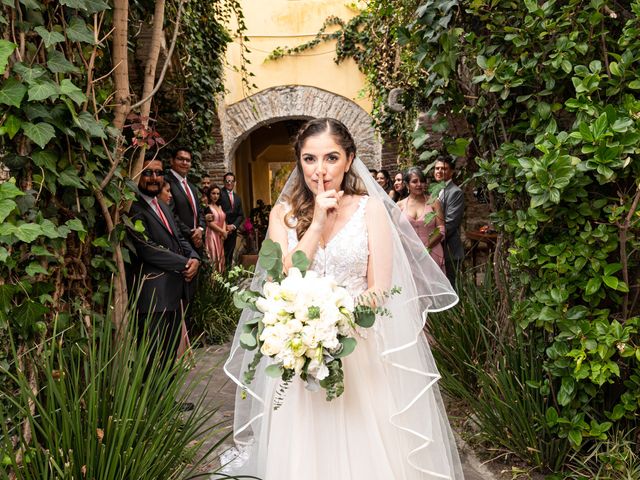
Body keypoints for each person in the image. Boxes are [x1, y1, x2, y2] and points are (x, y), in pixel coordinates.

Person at [219, 118, 463, 479]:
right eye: (309, 159)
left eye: (331, 158)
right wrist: (317, 221)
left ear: (348, 160)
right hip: (299, 350)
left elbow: (380, 287)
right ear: (299, 162)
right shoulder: (282, 214)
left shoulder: (372, 210)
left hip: (357, 351)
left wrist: (333, 319)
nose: (320, 170)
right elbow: (280, 280)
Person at [127, 160, 200, 380]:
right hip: (152, 295)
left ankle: (166, 403)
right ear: (137, 175)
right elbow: (146, 248)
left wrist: (195, 258)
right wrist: (184, 264)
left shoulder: (163, 206)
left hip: (173, 291)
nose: (153, 177)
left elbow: (179, 237)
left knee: (169, 352)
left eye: (158, 173)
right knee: (151, 353)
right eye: (147, 172)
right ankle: (149, 405)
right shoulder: (132, 208)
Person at [397, 167, 446, 273]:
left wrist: (425, 248)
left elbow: (441, 229)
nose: (419, 184)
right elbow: (395, 232)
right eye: (415, 181)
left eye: (422, 181)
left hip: (432, 251)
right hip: (408, 253)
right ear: (407, 184)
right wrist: (412, 249)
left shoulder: (434, 202)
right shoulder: (399, 206)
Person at [165, 147, 206, 252]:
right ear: (172, 161)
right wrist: (192, 233)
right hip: (178, 241)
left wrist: (200, 229)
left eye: (188, 160)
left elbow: (200, 210)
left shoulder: (191, 187)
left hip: (196, 241)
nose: (184, 162)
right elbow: (170, 213)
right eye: (180, 159)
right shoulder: (166, 182)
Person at [434, 156, 464, 286]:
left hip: (449, 250)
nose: (439, 171)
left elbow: (450, 223)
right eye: (437, 168)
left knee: (450, 287)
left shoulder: (455, 192)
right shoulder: (434, 190)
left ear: (451, 172)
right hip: (435, 248)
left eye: (444, 169)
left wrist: (431, 241)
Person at [220, 172, 244, 268]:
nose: (229, 183)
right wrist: (225, 226)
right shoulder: (219, 194)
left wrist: (233, 226)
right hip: (221, 230)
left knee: (229, 255)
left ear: (235, 182)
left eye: (231, 181)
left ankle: (228, 278)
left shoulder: (237, 198)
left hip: (232, 231)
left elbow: (240, 215)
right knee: (221, 255)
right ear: (224, 182)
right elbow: (217, 211)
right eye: (227, 181)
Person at [204, 184, 227, 272]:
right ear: (209, 194)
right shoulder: (207, 207)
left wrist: (224, 231)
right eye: (213, 193)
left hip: (220, 236)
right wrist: (222, 231)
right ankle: (212, 283)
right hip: (212, 235)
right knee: (213, 257)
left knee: (220, 258)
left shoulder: (219, 207)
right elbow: (210, 224)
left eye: (217, 194)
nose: (215, 196)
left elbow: (224, 219)